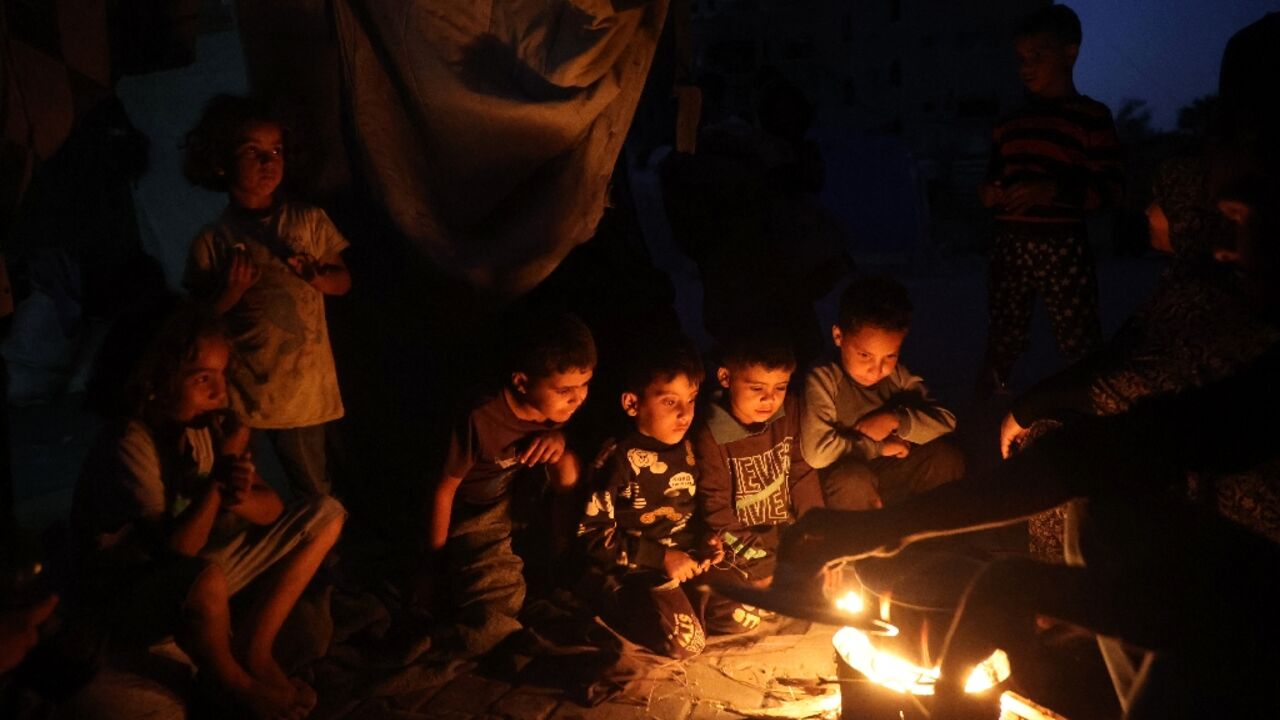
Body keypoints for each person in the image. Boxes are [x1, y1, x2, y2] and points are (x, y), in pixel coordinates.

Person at [780, 167, 1280, 717]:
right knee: (1093, 506)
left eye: (1242, 222)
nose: (1227, 252)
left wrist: (1032, 589)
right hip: (1230, 581)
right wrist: (887, 528)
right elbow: (1096, 456)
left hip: (1253, 607)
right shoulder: (1240, 360)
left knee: (1094, 527)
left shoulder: (1234, 333)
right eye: (1224, 222)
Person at [69, 306, 345, 720]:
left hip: (196, 577)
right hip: (131, 594)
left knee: (326, 513)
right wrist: (218, 480)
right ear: (153, 383)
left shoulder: (199, 431)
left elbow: (272, 510)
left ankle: (255, 648)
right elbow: (175, 551)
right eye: (203, 380)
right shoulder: (129, 444)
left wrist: (237, 493)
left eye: (222, 376)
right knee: (204, 578)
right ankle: (237, 685)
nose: (220, 393)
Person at [182, 95, 352, 498]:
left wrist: (320, 278)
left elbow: (344, 281)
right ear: (221, 162)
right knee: (245, 488)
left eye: (275, 150)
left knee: (314, 487)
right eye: (252, 152)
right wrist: (230, 293)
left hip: (304, 394)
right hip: (245, 398)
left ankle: (329, 558)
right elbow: (196, 320)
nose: (268, 162)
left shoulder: (307, 221)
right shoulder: (214, 240)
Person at [422, 313, 595, 658]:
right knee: (497, 602)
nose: (578, 399)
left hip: (519, 496)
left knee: (567, 462)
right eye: (565, 391)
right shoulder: (480, 415)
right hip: (476, 510)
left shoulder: (558, 409)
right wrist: (434, 564)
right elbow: (443, 491)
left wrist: (558, 438)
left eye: (585, 385)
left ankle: (560, 555)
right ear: (521, 382)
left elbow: (567, 456)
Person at [976, 4, 1123, 396]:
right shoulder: (1010, 122)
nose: (1026, 67)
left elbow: (1110, 189)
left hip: (1063, 245)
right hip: (1010, 241)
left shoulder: (1090, 118)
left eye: (1037, 56)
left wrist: (1053, 191)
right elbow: (993, 177)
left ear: (1070, 53)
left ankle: (1089, 398)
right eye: (1022, 58)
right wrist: (989, 193)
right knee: (1004, 324)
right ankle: (992, 391)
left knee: (1078, 332)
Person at [576, 337, 729, 657]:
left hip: (683, 561)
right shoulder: (616, 459)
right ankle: (616, 603)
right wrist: (661, 559)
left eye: (691, 399)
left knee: (747, 613)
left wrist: (705, 540)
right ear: (633, 404)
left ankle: (681, 605)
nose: (685, 414)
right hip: (634, 570)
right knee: (688, 644)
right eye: (670, 402)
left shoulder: (689, 447)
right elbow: (591, 536)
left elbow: (692, 510)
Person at [800, 275, 963, 510]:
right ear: (838, 336)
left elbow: (947, 420)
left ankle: (928, 536)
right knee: (853, 482)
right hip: (846, 478)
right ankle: (862, 543)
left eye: (890, 356)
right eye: (865, 355)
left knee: (946, 459)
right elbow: (817, 453)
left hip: (891, 470)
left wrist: (895, 420)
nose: (877, 369)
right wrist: (877, 446)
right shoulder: (824, 377)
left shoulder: (897, 375)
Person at [693, 329, 823, 590]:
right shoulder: (710, 434)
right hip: (739, 546)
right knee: (735, 610)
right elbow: (717, 513)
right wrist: (760, 566)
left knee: (821, 597)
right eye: (756, 388)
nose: (770, 398)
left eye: (780, 387)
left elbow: (802, 474)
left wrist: (819, 537)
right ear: (725, 377)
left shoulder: (790, 411)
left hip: (785, 536)